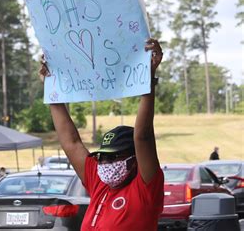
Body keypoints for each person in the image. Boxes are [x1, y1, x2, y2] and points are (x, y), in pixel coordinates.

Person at [39, 38, 164, 230]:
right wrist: (52, 89)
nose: (105, 163)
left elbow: (143, 136)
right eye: (103, 157)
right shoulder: (99, 183)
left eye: (113, 156)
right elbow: (71, 142)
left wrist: (148, 79)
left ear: (135, 159)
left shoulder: (145, 188)